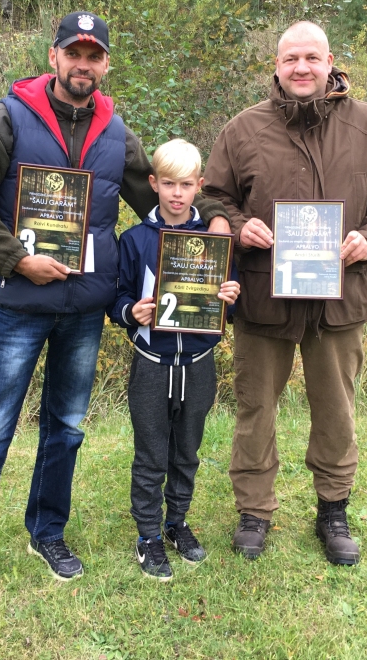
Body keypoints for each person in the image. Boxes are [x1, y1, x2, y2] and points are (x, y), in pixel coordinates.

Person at [0, 12, 230, 621]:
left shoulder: (115, 133)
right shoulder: (5, 120)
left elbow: (159, 193)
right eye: (74, 53)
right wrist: (14, 262)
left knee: (67, 428)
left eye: (95, 55)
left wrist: (216, 224)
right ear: (53, 57)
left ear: (105, 65)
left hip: (83, 310)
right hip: (19, 307)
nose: (84, 64)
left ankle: (46, 531)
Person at [202, 21, 367, 566]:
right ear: (276, 66)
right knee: (256, 408)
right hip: (262, 299)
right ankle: (254, 510)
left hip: (339, 300)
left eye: (311, 57)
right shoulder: (243, 130)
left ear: (330, 63)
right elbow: (211, 198)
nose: (301, 67)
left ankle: (333, 508)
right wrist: (237, 225)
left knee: (336, 410)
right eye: (290, 58)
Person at [107, 139, 240, 582]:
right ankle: (147, 536)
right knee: (150, 455)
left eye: (186, 185)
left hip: (199, 363)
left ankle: (176, 523)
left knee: (187, 452)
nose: (177, 193)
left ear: (199, 186)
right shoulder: (135, 240)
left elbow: (230, 305)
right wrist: (132, 312)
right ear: (154, 184)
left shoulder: (215, 242)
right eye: (168, 184)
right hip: (151, 363)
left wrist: (229, 299)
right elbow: (117, 300)